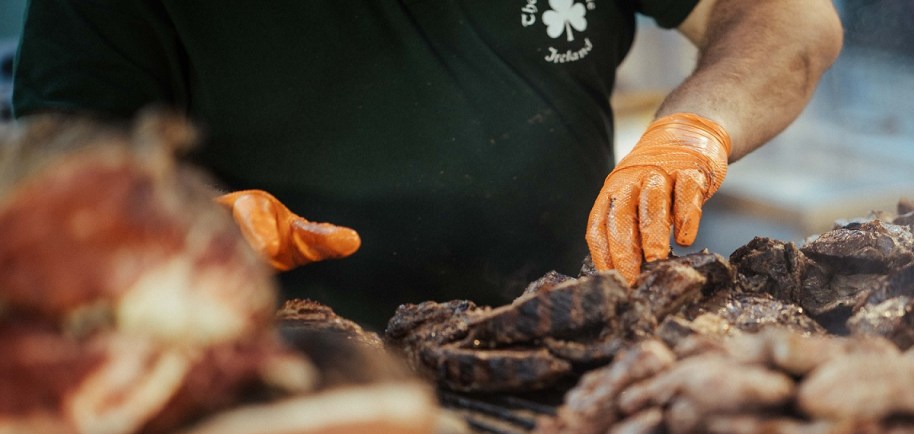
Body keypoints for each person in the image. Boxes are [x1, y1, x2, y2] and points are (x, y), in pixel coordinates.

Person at [12, 0, 843, 329]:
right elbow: (52, 192)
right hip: (273, 381)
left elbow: (788, 21)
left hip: (564, 344)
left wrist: (698, 126)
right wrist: (162, 227)